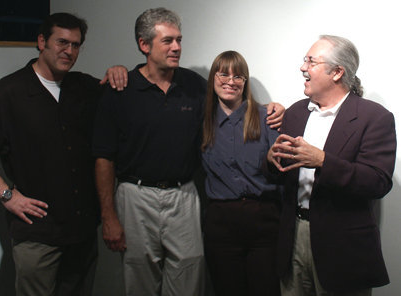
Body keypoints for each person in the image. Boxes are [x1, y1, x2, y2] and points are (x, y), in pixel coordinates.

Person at [93, 7, 284, 296]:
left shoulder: (195, 87)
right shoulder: (121, 89)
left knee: (189, 280)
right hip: (135, 196)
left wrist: (272, 107)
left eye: (179, 40)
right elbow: (103, 157)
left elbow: (233, 103)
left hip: (183, 196)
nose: (177, 47)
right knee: (140, 282)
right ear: (144, 45)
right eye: (168, 41)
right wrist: (108, 216)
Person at [0, 12, 126, 296]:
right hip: (37, 234)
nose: (68, 51)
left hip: (82, 232)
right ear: (42, 41)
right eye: (61, 42)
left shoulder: (84, 88)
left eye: (75, 44)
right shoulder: (8, 93)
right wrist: (8, 196)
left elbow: (119, 92)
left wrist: (119, 70)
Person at [265, 35, 396, 296]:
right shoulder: (295, 112)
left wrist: (323, 161)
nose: (303, 67)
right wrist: (271, 161)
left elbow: (377, 181)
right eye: (305, 60)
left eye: (311, 61)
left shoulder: (374, 117)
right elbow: (282, 176)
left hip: (343, 245)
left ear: (337, 72)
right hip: (293, 237)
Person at [201, 50, 281, 296]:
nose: (230, 81)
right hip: (220, 223)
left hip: (263, 221)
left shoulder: (267, 117)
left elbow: (282, 170)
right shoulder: (201, 120)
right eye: (223, 74)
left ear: (245, 82)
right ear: (213, 78)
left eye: (238, 76)